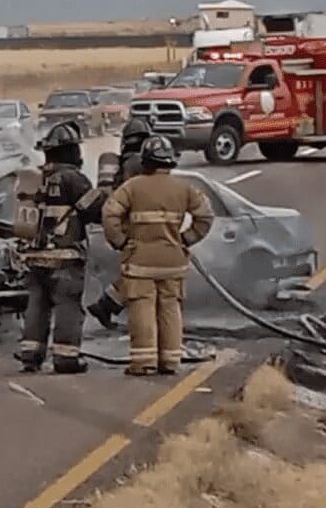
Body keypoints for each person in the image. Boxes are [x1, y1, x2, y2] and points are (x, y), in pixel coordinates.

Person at [100, 136, 214, 377]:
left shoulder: (132, 187)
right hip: (174, 262)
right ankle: (170, 361)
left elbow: (109, 215)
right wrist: (186, 238)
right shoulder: (184, 189)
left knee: (143, 308)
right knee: (170, 309)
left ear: (145, 161)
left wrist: (120, 242)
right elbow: (205, 216)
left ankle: (144, 362)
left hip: (140, 263)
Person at [15, 123, 102, 374]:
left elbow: (21, 225)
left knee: (37, 306)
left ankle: (30, 356)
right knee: (67, 307)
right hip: (64, 258)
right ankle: (65, 358)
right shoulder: (73, 179)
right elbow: (95, 211)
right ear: (70, 151)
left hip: (33, 259)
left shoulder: (30, 179)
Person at [86, 115, 153, 330]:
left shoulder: (120, 162)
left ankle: (107, 305)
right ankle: (109, 306)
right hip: (135, 225)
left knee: (139, 271)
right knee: (144, 270)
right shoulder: (138, 163)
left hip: (120, 225)